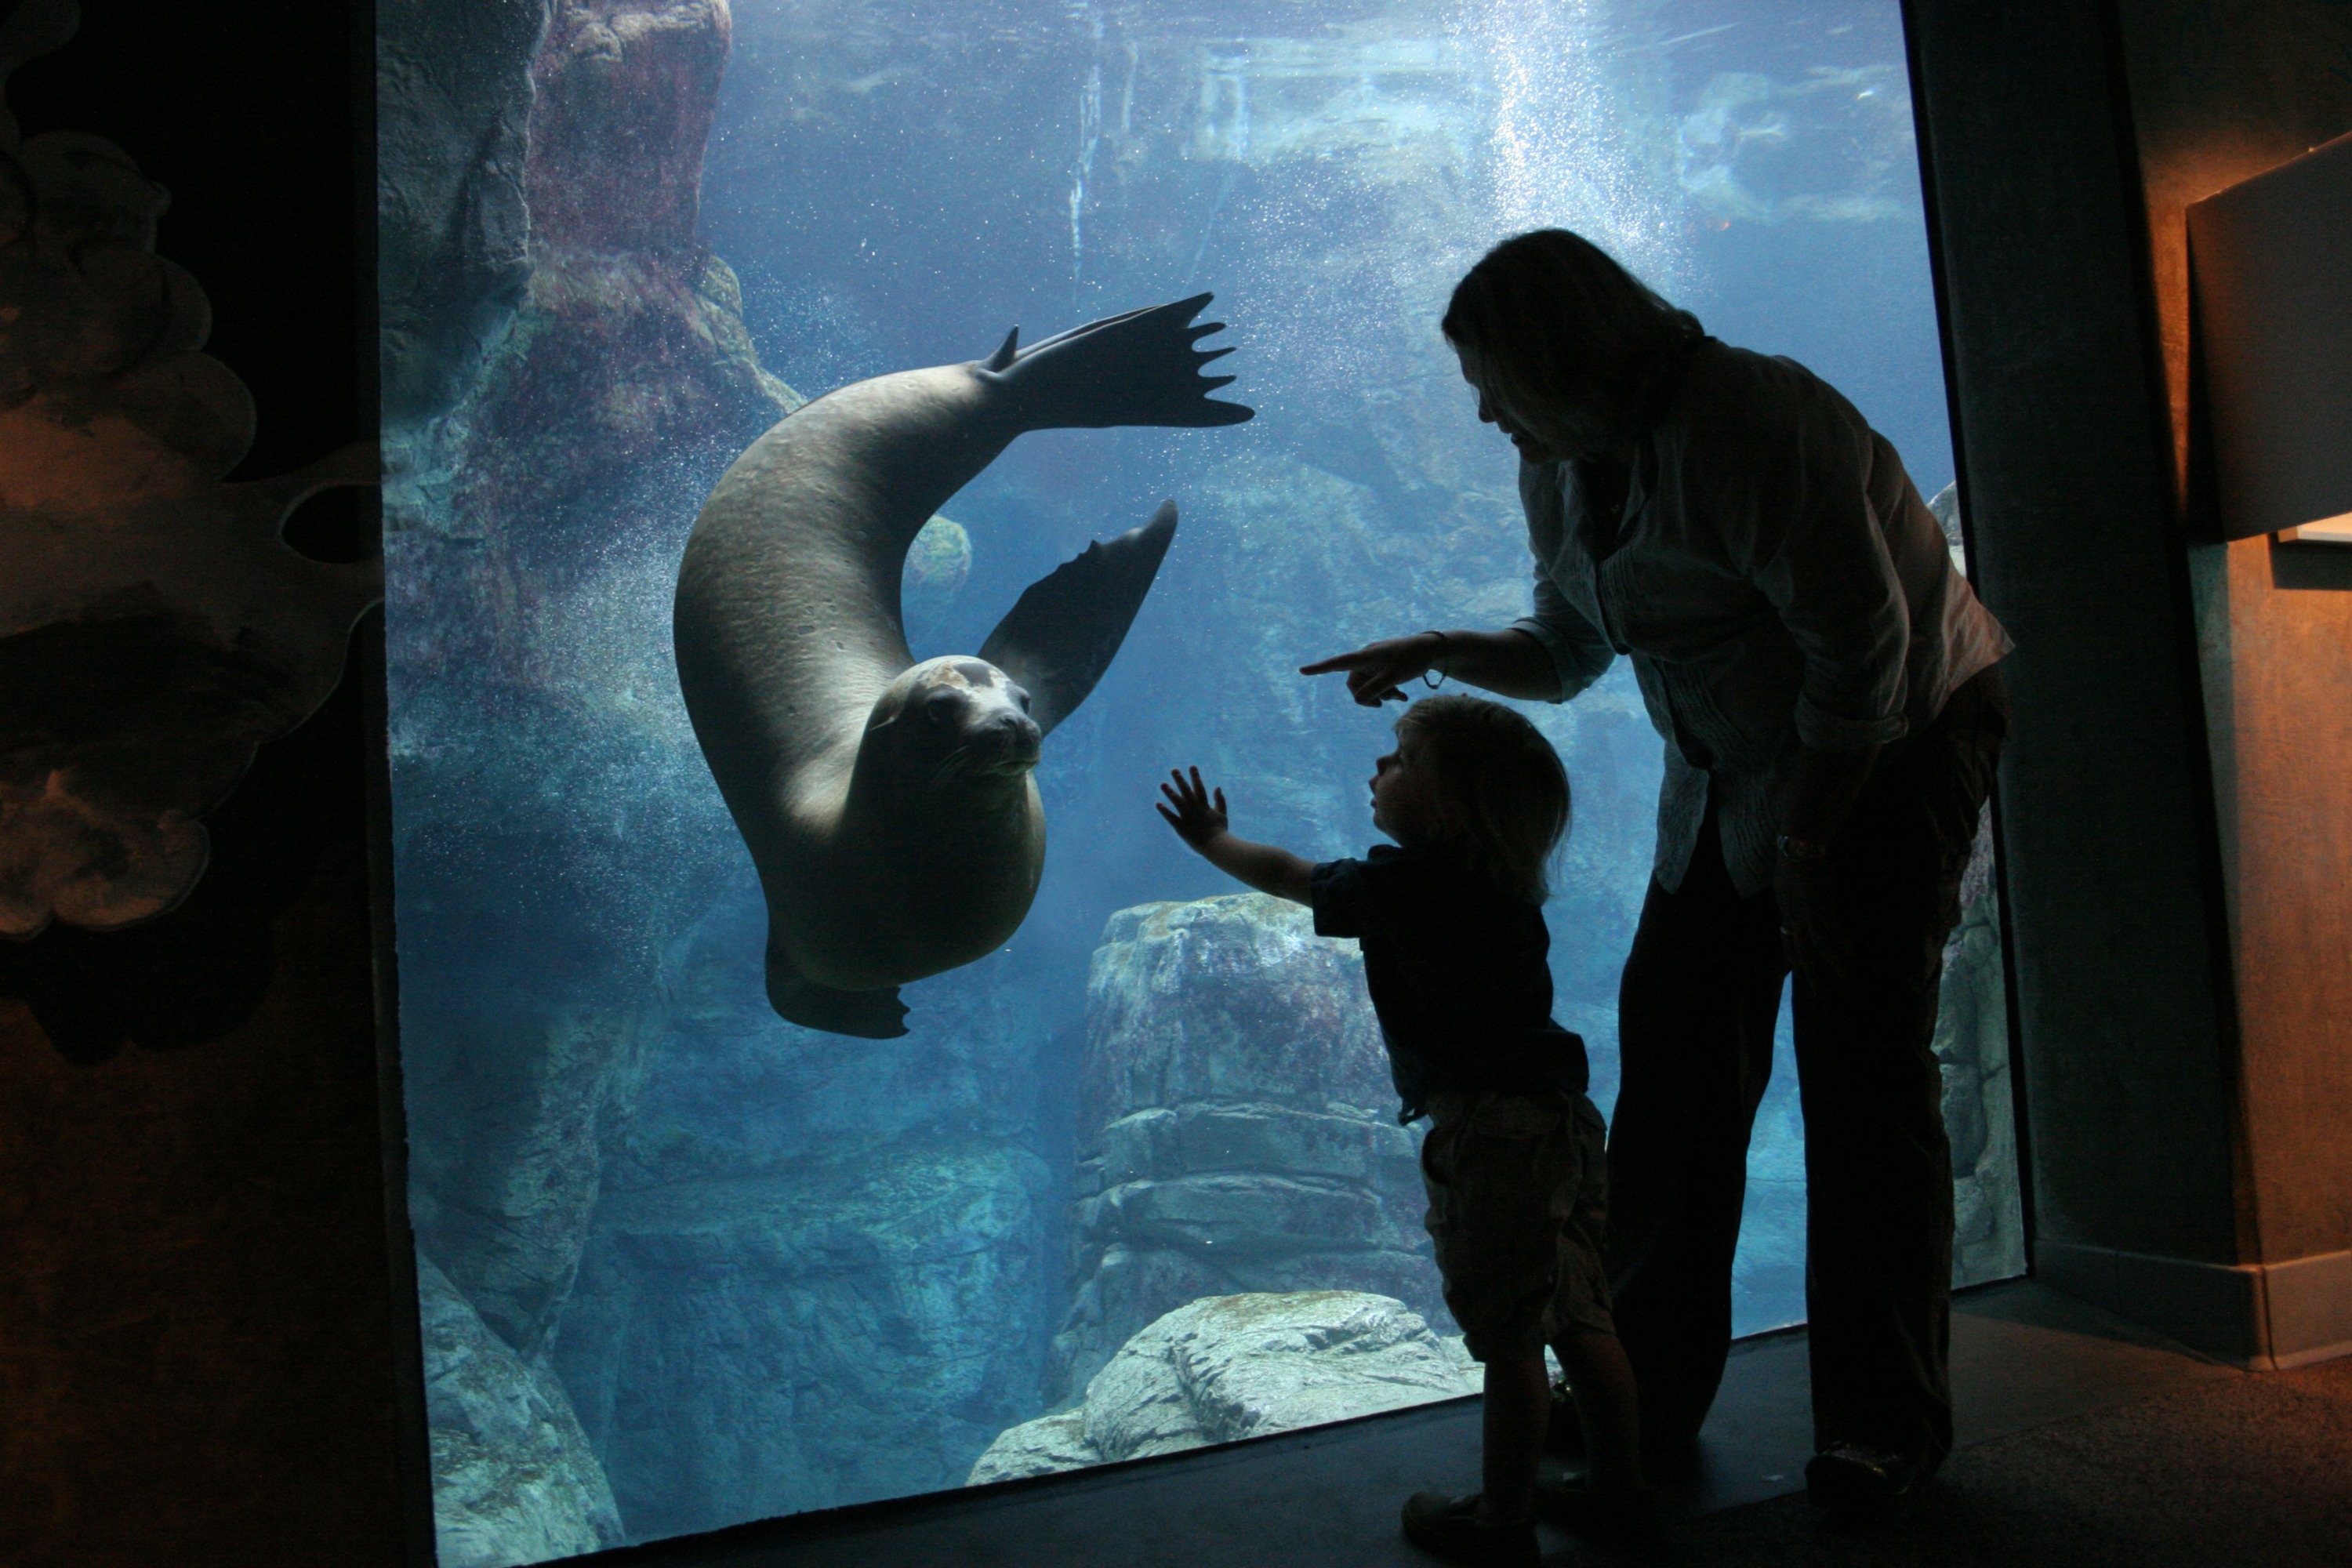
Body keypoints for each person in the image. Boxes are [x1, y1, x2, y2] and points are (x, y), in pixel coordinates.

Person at [1302, 229, 2011, 1520]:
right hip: (1733, 760)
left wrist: (1806, 849)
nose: (1480, 410)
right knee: (1677, 1052)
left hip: (1894, 740)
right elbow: (1570, 649)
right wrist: (1447, 647)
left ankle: (1882, 1428)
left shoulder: (1760, 424)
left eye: (1494, 378)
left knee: (1862, 1065)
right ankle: (1646, 1382)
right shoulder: (1563, 464)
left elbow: (1868, 662)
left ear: (1567, 357)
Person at [1157, 695, 1651, 1566]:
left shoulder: (1407, 885)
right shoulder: (1504, 887)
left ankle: (1501, 1523)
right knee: (1581, 1315)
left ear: (1448, 805)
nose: (1378, 771)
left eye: (1400, 760)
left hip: (1492, 1137)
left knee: (1509, 1338)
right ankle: (1619, 1490)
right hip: (1563, 1120)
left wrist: (1212, 843)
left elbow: (1292, 874)